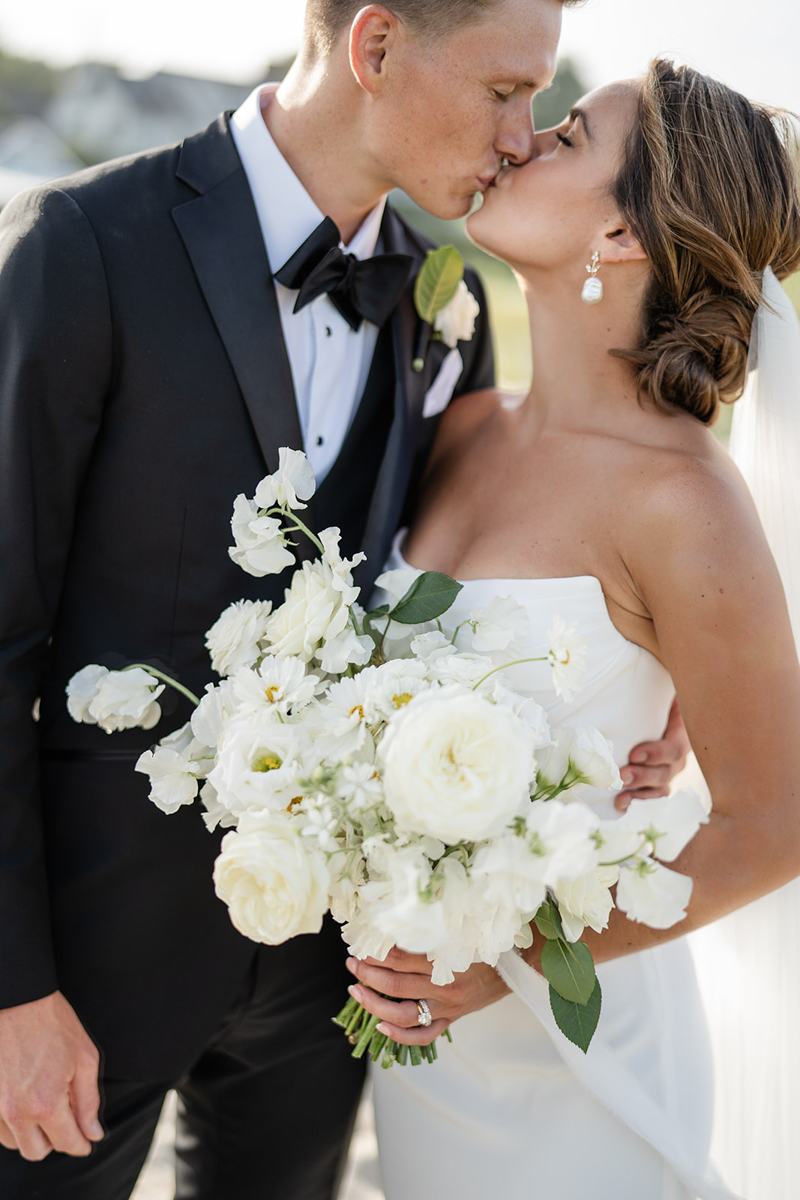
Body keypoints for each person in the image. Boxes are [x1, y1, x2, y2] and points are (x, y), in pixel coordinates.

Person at [0, 2, 690, 1197]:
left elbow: (470, 589)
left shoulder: (445, 304)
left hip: (331, 991)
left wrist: (654, 679)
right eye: (501, 92)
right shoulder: (81, 243)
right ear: (373, 49)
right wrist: (10, 987)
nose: (522, 137)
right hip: (80, 974)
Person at [346, 60, 800, 1198]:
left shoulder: (679, 501)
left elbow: (777, 822)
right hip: (423, 1052)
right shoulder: (461, 421)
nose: (520, 140)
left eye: (566, 138)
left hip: (572, 1056)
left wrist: (526, 962)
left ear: (619, 236)